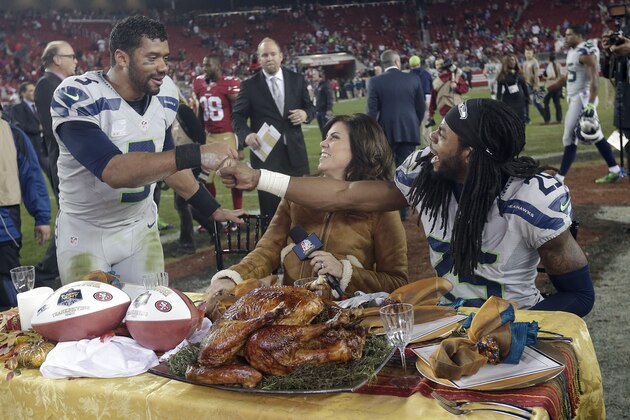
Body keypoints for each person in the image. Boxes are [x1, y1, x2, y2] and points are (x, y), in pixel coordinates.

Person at [220, 99, 595, 317]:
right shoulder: (423, 176)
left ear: (468, 154)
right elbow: (345, 194)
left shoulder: (531, 197)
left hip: (517, 328)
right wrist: (258, 179)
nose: (432, 136)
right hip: (446, 324)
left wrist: (513, 323)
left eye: (444, 135)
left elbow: (579, 295)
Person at [50, 15, 244, 285]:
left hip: (140, 228)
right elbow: (113, 171)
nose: (163, 67)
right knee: (93, 322)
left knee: (152, 317)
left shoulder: (164, 93)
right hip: (86, 233)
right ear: (122, 58)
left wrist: (211, 208)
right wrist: (197, 152)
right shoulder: (78, 94)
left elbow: (166, 161)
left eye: (165, 57)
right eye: (152, 58)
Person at [208, 114, 408, 300]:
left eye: (334, 137)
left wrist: (345, 271)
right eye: (326, 137)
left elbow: (397, 282)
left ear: (360, 147)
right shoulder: (296, 196)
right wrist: (233, 277)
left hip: (346, 321)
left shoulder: (381, 208)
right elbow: (267, 250)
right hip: (291, 314)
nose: (323, 143)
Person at [232, 37, 315, 220]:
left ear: (281, 56)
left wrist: (305, 114)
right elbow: (237, 116)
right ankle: (273, 248)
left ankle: (303, 249)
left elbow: (310, 107)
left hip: (296, 153)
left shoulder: (297, 80)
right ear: (259, 59)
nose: (269, 58)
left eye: (272, 54)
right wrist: (246, 135)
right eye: (264, 55)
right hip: (266, 156)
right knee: (272, 212)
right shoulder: (249, 86)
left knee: (301, 208)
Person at [548, 25, 621, 184]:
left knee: (569, 137)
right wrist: (547, 89)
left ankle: (560, 177)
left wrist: (589, 104)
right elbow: (568, 76)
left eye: (569, 35)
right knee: (594, 134)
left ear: (579, 35)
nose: (566, 38)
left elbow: (594, 75)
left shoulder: (584, 50)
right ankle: (614, 169)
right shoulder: (573, 51)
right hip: (577, 98)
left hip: (582, 98)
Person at [33, 40, 77, 289]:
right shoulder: (46, 84)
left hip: (67, 159)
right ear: (57, 59)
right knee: (71, 216)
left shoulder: (58, 84)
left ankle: (52, 269)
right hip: (62, 161)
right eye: (71, 56)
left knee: (73, 216)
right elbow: (56, 128)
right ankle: (47, 271)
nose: (75, 61)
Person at [0, 105, 51, 310]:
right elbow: (31, 176)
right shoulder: (11, 133)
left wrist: (42, 217)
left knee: (7, 288)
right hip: (5, 222)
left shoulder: (12, 134)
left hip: (3, 224)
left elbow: (31, 177)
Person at [193, 54, 243, 211]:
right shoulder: (199, 83)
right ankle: (212, 213)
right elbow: (200, 113)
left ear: (218, 66)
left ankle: (237, 213)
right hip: (209, 136)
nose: (204, 68)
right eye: (203, 65)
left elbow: (238, 114)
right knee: (205, 178)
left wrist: (240, 144)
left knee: (232, 176)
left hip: (227, 136)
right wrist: (199, 136)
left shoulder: (230, 83)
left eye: (208, 65)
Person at [367, 50, 424, 168]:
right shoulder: (413, 79)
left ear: (383, 64)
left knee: (383, 169)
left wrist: (372, 132)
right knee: (407, 170)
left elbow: (371, 111)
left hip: (385, 130)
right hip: (409, 129)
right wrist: (413, 123)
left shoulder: (375, 81)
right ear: (397, 62)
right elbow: (421, 107)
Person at [601, 24, 630, 175]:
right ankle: (626, 167)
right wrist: (606, 53)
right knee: (624, 133)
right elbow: (607, 74)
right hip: (623, 95)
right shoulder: (620, 56)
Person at [10, 82, 45, 170]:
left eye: (34, 90)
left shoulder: (41, 105)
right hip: (32, 147)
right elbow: (21, 126)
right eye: (30, 91)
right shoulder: (17, 109)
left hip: (47, 145)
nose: (34, 92)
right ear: (23, 93)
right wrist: (38, 128)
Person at [428, 57, 469, 126]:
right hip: (445, 110)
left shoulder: (455, 76)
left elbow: (465, 88)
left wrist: (456, 87)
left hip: (458, 108)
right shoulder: (435, 82)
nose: (438, 66)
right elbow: (433, 99)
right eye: (437, 65)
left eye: (440, 64)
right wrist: (431, 114)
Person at [496, 54, 529, 123]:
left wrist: (528, 98)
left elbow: (525, 87)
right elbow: (499, 92)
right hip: (508, 101)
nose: (512, 62)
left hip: (520, 101)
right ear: (506, 62)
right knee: (510, 121)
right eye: (510, 60)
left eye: (513, 60)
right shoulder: (502, 76)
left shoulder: (520, 73)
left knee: (521, 121)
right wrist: (497, 102)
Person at [409, 55, 433, 143]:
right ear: (419, 63)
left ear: (410, 65)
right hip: (427, 98)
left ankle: (412, 146)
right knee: (427, 124)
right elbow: (431, 87)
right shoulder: (426, 73)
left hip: (413, 101)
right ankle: (428, 146)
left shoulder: (408, 76)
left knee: (413, 124)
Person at [523, 46, 546, 123]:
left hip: (533, 85)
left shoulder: (534, 62)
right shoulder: (525, 62)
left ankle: (546, 116)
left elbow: (536, 75)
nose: (527, 54)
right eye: (526, 53)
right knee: (525, 101)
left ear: (532, 53)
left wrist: (536, 85)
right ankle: (527, 119)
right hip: (527, 84)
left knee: (536, 102)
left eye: (529, 53)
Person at [312, 68, 334, 136]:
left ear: (320, 75)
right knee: (323, 132)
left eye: (315, 74)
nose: (313, 76)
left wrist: (329, 109)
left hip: (324, 111)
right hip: (318, 111)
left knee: (327, 131)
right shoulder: (317, 85)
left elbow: (329, 97)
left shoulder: (325, 85)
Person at [542, 53, 563, 124]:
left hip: (550, 86)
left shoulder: (550, 66)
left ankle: (547, 119)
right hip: (558, 86)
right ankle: (559, 119)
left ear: (549, 59)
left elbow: (553, 76)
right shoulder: (559, 65)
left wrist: (545, 78)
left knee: (546, 102)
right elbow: (561, 75)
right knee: (557, 103)